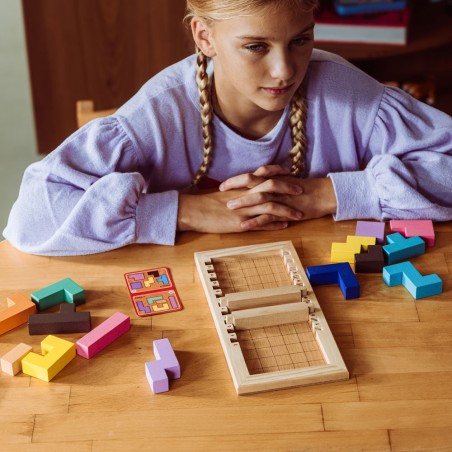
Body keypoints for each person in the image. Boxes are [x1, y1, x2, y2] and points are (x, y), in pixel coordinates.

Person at [3, 0, 452, 256]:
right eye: (256, 46)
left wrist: (331, 194)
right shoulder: (157, 115)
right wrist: (184, 210)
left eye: (300, 40)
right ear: (204, 37)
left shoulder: (346, 93)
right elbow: (30, 218)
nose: (284, 71)